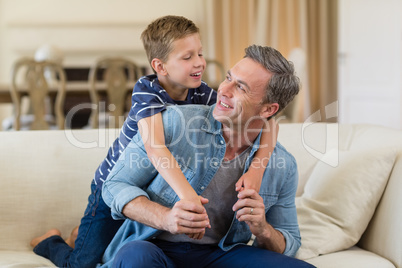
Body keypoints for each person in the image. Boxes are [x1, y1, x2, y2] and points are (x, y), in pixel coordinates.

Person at [30, 16, 275, 267]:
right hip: (115, 187)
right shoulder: (147, 91)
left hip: (151, 191)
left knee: (115, 249)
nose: (199, 62)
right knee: (82, 265)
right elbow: (156, 148)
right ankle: (50, 241)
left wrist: (257, 169)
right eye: (187, 57)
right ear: (160, 66)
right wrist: (187, 195)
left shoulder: (201, 92)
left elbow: (268, 121)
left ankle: (79, 236)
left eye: (200, 53)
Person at [99, 45, 315, 268]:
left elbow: (290, 241)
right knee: (136, 257)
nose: (224, 89)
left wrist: (263, 229)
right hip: (156, 247)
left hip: (221, 254)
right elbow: (114, 185)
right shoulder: (173, 123)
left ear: (268, 110)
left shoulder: (283, 166)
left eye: (240, 87)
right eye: (228, 77)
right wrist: (165, 218)